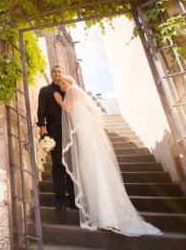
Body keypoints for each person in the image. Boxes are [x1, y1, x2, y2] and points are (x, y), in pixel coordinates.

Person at [54, 75, 162, 236]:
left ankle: (105, 216)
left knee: (92, 167)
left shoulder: (71, 89)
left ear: (69, 82)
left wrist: (58, 100)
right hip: (87, 129)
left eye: (63, 82)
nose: (61, 86)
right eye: (59, 84)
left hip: (85, 131)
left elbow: (68, 108)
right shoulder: (77, 91)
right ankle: (107, 214)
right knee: (95, 167)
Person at [37, 65, 76, 210]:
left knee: (71, 165)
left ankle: (73, 199)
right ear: (51, 74)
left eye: (60, 71)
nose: (57, 73)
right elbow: (41, 109)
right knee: (58, 164)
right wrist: (42, 127)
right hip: (55, 129)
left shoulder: (69, 89)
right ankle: (60, 200)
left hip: (71, 130)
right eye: (54, 71)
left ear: (63, 74)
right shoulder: (45, 90)